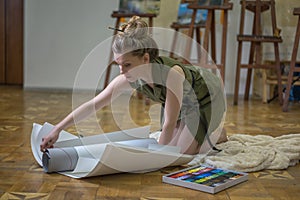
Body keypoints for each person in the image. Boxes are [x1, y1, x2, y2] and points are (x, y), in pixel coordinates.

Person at [40, 16, 227, 155]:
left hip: (206, 97)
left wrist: (155, 158)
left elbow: (169, 123)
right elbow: (94, 104)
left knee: (181, 153)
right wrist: (57, 129)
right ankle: (202, 133)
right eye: (118, 65)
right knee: (172, 146)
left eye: (127, 64)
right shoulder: (129, 77)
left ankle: (217, 132)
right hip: (181, 102)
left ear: (145, 59)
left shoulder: (171, 75)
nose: (121, 71)